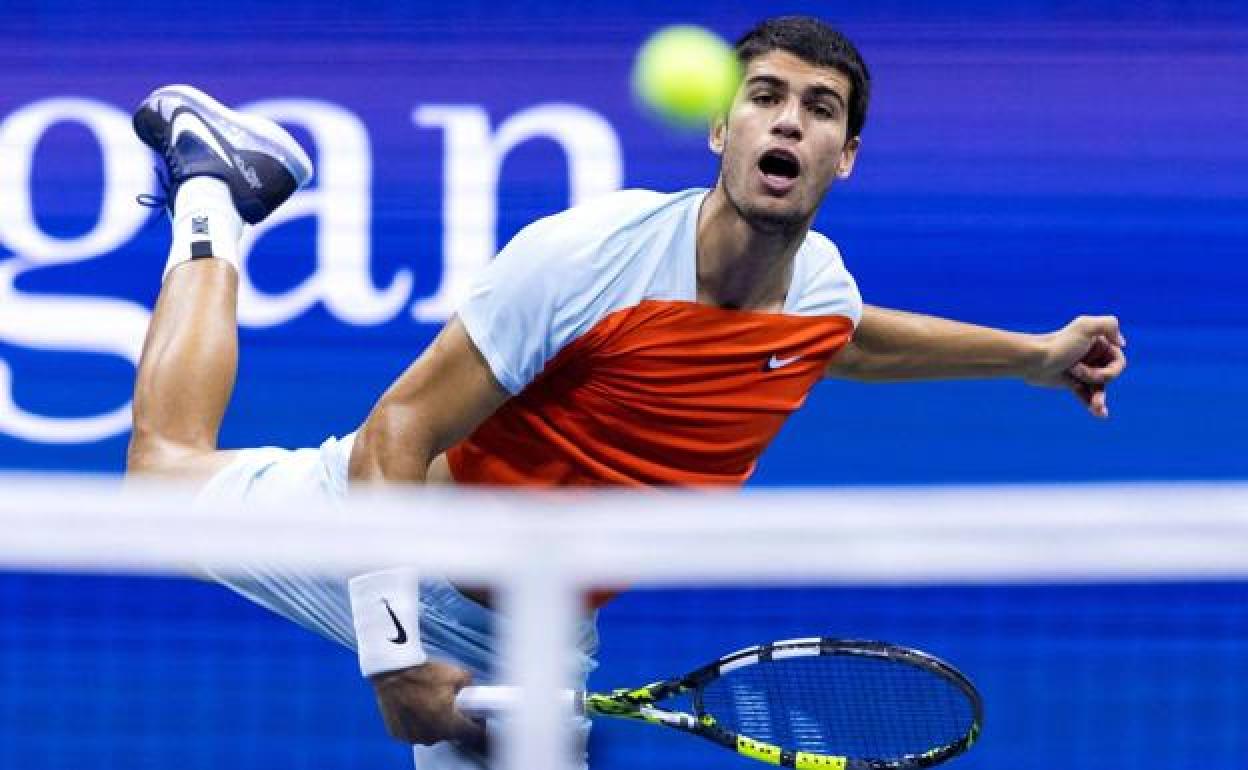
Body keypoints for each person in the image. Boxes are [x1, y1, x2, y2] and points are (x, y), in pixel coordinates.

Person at [125, 15, 1126, 770]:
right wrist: (395, 656)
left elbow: (854, 341)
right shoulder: (586, 259)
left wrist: (1034, 354)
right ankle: (217, 187)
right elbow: (399, 428)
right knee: (161, 477)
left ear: (845, 156)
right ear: (721, 130)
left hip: (547, 625)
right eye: (766, 96)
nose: (789, 118)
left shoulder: (816, 291)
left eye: (819, 109)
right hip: (401, 544)